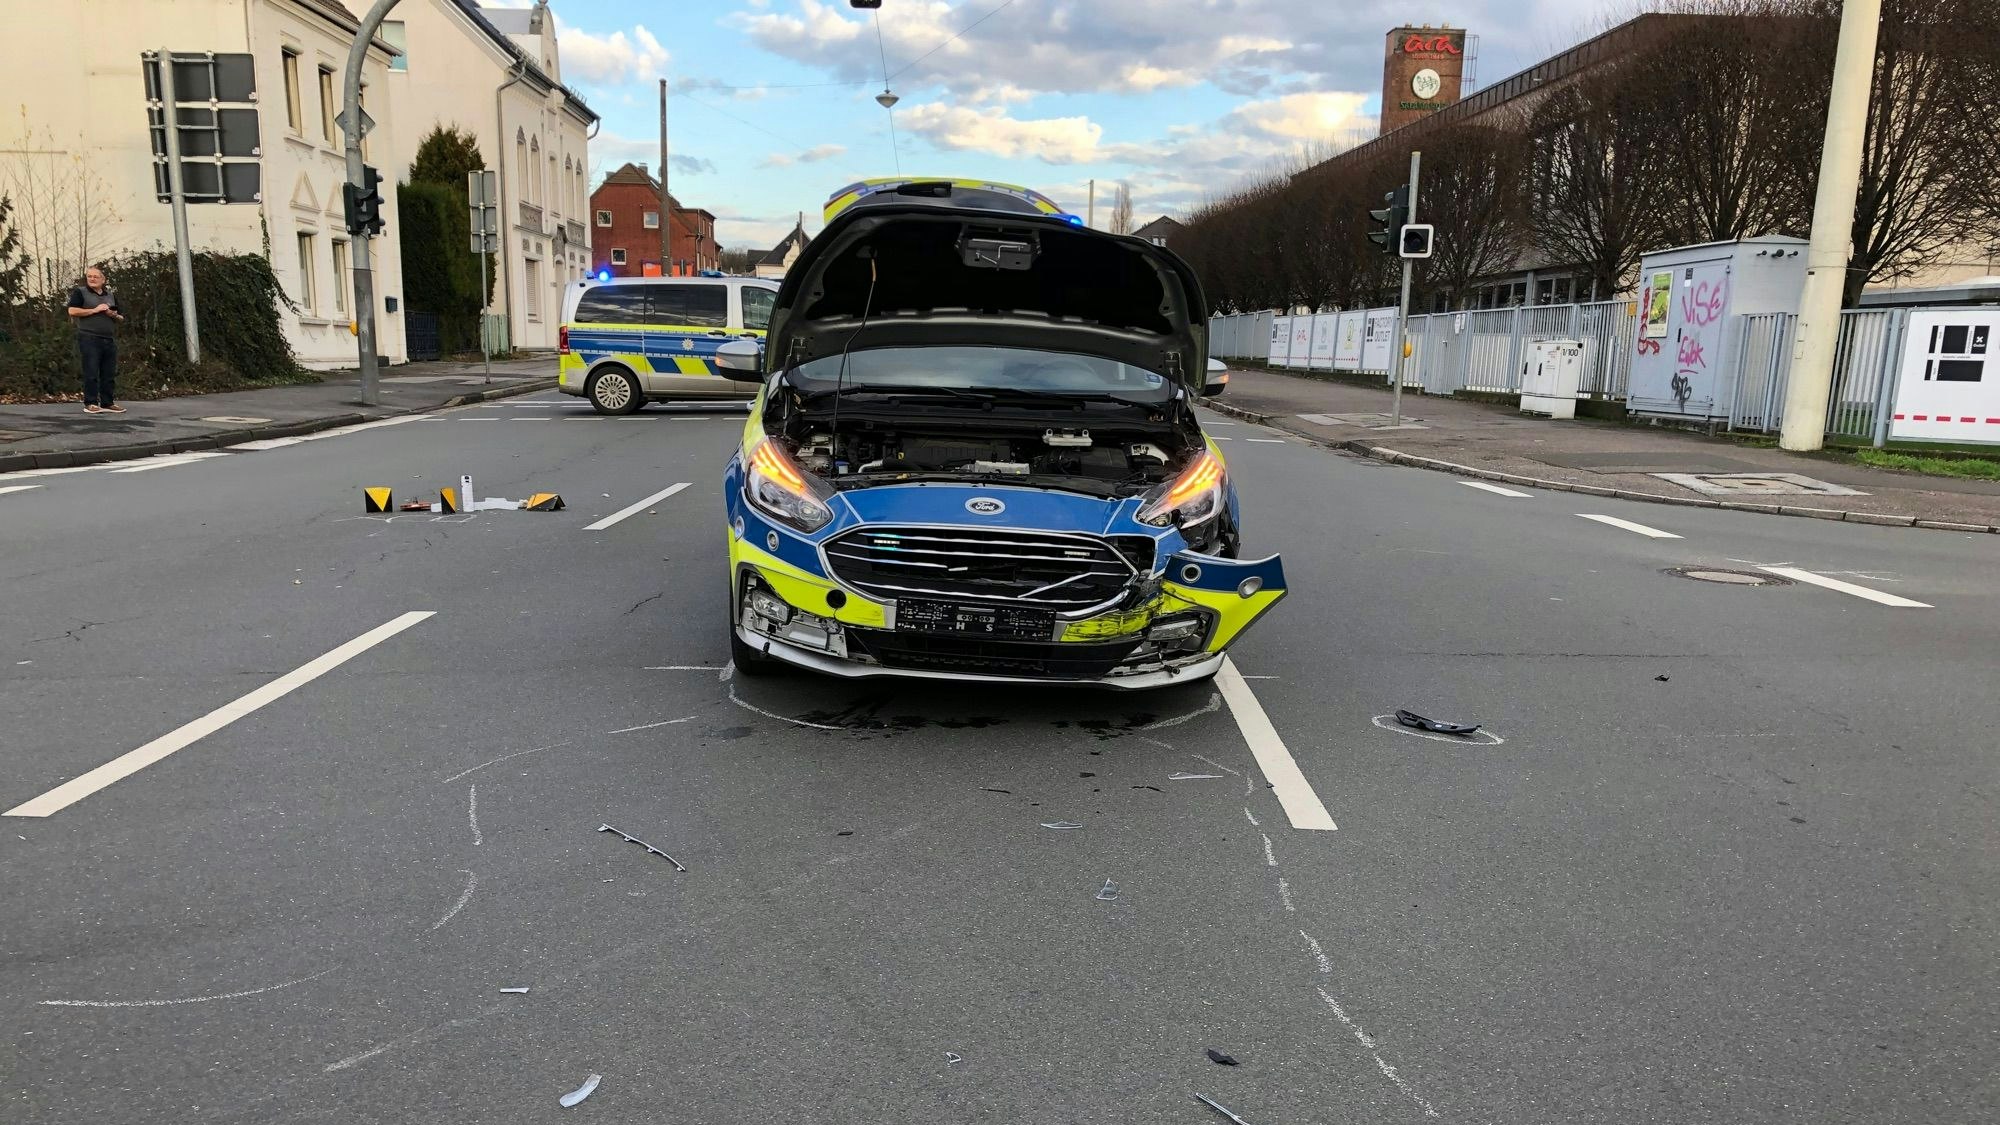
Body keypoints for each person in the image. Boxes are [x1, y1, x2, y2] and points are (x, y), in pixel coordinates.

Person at [67, 266, 126, 414]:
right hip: (89, 337)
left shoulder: (110, 295)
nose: (92, 279)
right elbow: (72, 310)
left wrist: (113, 315)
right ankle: (91, 403)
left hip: (108, 339)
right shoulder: (81, 292)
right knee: (91, 371)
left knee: (109, 373)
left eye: (95, 276)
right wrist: (95, 310)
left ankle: (107, 402)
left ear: (103, 279)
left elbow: (121, 317)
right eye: (89, 276)